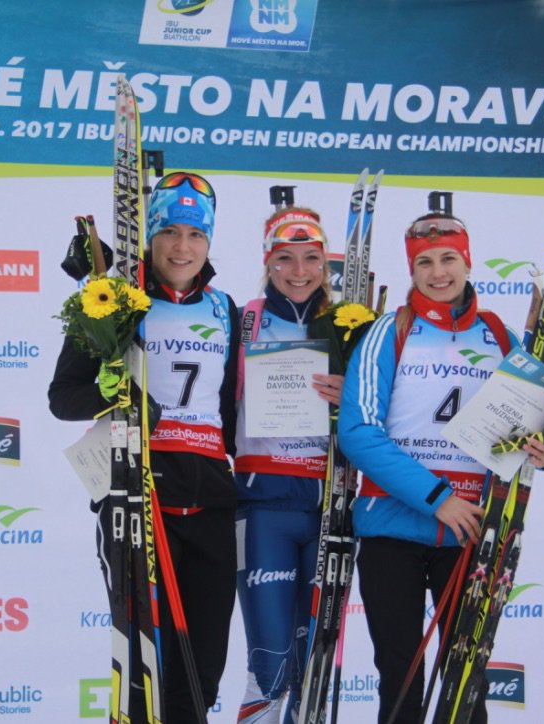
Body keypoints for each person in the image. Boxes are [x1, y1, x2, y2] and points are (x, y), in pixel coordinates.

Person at [337, 202, 544, 724]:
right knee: (401, 672)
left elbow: (525, 418)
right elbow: (359, 434)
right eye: (425, 263)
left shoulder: (500, 335)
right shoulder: (389, 332)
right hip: (394, 528)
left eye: (448, 259)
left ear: (467, 262)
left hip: (472, 531)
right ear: (411, 270)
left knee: (465, 678)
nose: (438, 273)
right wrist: (438, 499)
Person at [49, 172, 240, 723]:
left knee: (201, 667)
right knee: (140, 662)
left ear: (208, 242)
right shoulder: (111, 302)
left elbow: (231, 411)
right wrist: (111, 393)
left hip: (209, 501)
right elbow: (63, 397)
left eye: (196, 235)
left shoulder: (226, 310)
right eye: (171, 233)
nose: (183, 247)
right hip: (137, 494)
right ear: (150, 236)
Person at [233, 206, 343, 723]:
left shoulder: (348, 325)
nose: (299, 271)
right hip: (261, 507)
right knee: (271, 659)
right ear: (268, 261)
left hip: (330, 509)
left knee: (315, 662)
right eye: (285, 258)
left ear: (326, 262)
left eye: (311, 258)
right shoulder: (244, 318)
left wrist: (354, 398)